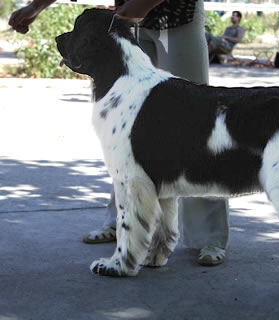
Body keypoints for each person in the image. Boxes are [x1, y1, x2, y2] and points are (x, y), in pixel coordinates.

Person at [9, 0, 230, 265]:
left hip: (176, 14)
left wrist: (142, 5)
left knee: (196, 122)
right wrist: (34, 8)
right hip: (128, 17)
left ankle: (209, 236)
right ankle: (121, 222)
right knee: (124, 126)